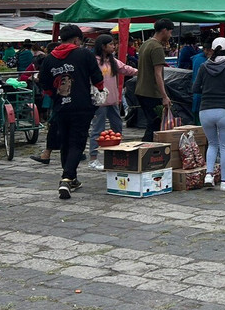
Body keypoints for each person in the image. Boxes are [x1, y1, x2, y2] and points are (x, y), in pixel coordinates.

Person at [38, 25, 104, 200]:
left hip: (61, 107)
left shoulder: (49, 59)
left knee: (65, 142)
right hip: (82, 106)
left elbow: (43, 83)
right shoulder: (84, 54)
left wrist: (54, 96)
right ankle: (66, 178)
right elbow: (98, 78)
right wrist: (99, 90)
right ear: (76, 40)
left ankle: (72, 179)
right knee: (77, 142)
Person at [193, 37, 225, 190]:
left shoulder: (203, 66)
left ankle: (209, 175)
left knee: (212, 144)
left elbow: (195, 88)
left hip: (205, 111)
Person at [87, 34, 136, 171]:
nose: (114, 47)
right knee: (98, 130)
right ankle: (93, 158)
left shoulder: (112, 61)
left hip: (113, 100)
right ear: (103, 46)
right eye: (111, 45)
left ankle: (117, 155)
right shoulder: (93, 61)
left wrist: (141, 72)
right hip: (99, 101)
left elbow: (126, 69)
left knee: (118, 128)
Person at [135, 19, 174, 142]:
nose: (170, 35)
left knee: (151, 123)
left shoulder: (145, 44)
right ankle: (146, 153)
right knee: (154, 125)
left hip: (140, 90)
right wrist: (164, 96)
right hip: (151, 92)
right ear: (164, 31)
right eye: (170, 32)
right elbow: (158, 74)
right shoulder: (157, 47)